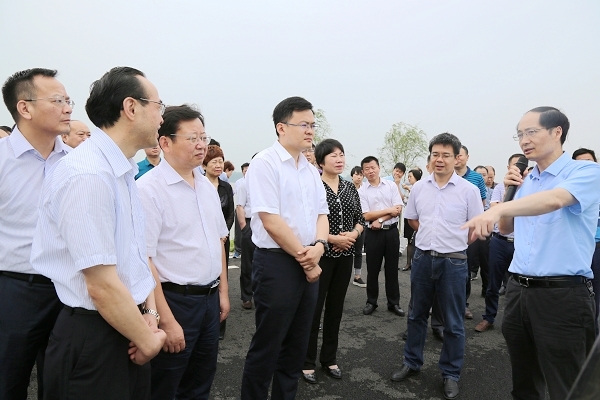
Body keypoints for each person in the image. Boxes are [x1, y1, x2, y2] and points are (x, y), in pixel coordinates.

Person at [30, 66, 167, 399]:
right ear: (131, 108)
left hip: (126, 325)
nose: (162, 117)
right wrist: (149, 340)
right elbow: (101, 285)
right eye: (158, 106)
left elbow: (132, 258)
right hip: (94, 336)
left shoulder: (120, 171)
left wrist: (147, 312)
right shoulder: (88, 174)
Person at [463, 107, 600, 400]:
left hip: (562, 295)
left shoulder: (585, 171)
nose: (524, 140)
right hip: (518, 291)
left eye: (531, 132)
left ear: (557, 132)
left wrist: (499, 207)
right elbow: (506, 228)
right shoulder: (525, 182)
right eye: (520, 134)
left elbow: (554, 200)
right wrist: (509, 193)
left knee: (568, 384)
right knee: (524, 380)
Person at [137, 105, 229, 400]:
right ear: (165, 142)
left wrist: (223, 292)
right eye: (192, 138)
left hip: (209, 300)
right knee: (166, 382)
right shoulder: (148, 190)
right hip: (175, 301)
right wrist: (166, 318)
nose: (202, 145)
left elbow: (219, 241)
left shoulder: (206, 186)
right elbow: (145, 259)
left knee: (201, 381)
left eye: (204, 137)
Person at [241, 96, 329, 400]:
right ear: (281, 127)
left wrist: (319, 245)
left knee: (296, 345)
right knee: (268, 346)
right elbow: (270, 220)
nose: (310, 130)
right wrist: (308, 260)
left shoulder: (309, 169)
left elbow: (322, 215)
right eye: (303, 124)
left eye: (312, 125)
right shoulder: (264, 163)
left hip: (309, 258)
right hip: (277, 264)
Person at [391, 133, 483, 400]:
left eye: (446, 155)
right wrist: (432, 236)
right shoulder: (420, 188)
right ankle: (412, 361)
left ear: (457, 158)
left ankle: (451, 373)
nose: (440, 159)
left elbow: (475, 228)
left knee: (453, 322)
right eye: (435, 154)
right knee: (416, 314)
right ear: (429, 157)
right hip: (422, 258)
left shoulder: (469, 190)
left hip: (454, 262)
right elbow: (412, 220)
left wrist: (451, 242)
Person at [0, 68, 72, 400]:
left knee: (63, 385)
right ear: (24, 108)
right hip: (13, 290)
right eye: (57, 100)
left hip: (70, 292)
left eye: (68, 100)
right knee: (7, 381)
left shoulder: (76, 164)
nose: (68, 108)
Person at [302, 139, 365, 384]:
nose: (339, 159)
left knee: (336, 310)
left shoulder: (350, 187)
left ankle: (329, 358)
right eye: (333, 156)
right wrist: (331, 239)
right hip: (321, 256)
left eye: (341, 154)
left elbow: (360, 218)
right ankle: (306, 362)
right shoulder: (312, 186)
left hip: (345, 257)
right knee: (313, 310)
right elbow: (307, 222)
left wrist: (354, 234)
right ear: (320, 161)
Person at [474, 154, 525, 333]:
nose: (518, 170)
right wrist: (508, 191)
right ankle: (489, 318)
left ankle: (517, 323)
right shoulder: (500, 189)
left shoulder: (533, 188)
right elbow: (495, 209)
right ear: (508, 167)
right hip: (499, 242)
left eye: (522, 167)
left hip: (521, 243)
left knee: (519, 285)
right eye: (514, 166)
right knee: (493, 284)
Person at [359, 156, 404, 317]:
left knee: (392, 269)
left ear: (379, 167)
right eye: (367, 169)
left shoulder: (391, 185)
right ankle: (371, 301)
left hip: (391, 232)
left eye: (373, 167)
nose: (370, 171)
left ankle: (394, 303)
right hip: (372, 234)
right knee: (372, 269)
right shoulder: (362, 190)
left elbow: (397, 208)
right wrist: (388, 211)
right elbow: (365, 215)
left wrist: (379, 219)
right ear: (363, 172)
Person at [203, 144, 234, 340]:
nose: (218, 165)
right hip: (205, 239)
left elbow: (229, 213)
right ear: (204, 165)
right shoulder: (199, 184)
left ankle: (220, 326)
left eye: (221, 161)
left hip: (222, 238)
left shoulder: (226, 187)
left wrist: (224, 233)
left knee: (222, 281)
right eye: (214, 161)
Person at [572, 147, 599, 335]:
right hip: (580, 246)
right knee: (581, 293)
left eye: (589, 161)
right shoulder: (571, 189)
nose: (585, 166)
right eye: (580, 162)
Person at [236, 162, 255, 309]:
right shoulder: (244, 184)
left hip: (267, 223)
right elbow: (240, 206)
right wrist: (244, 228)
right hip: (250, 223)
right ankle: (247, 296)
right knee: (248, 263)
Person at [401, 168, 422, 271]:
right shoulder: (409, 188)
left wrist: (409, 189)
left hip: (417, 218)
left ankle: (416, 264)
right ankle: (408, 263)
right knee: (409, 241)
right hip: (408, 217)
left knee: (417, 241)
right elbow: (405, 201)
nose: (409, 178)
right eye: (408, 176)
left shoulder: (420, 187)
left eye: (411, 176)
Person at [350, 165, 366, 287]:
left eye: (361, 175)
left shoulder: (365, 189)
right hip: (348, 224)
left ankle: (357, 276)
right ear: (352, 176)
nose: (358, 177)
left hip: (361, 224)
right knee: (347, 251)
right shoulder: (346, 188)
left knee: (358, 251)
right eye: (356, 174)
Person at [232, 162, 249, 259]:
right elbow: (235, 193)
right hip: (240, 209)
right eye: (245, 170)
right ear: (242, 171)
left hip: (251, 213)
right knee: (239, 232)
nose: (247, 172)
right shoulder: (239, 182)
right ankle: (237, 250)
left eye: (248, 170)